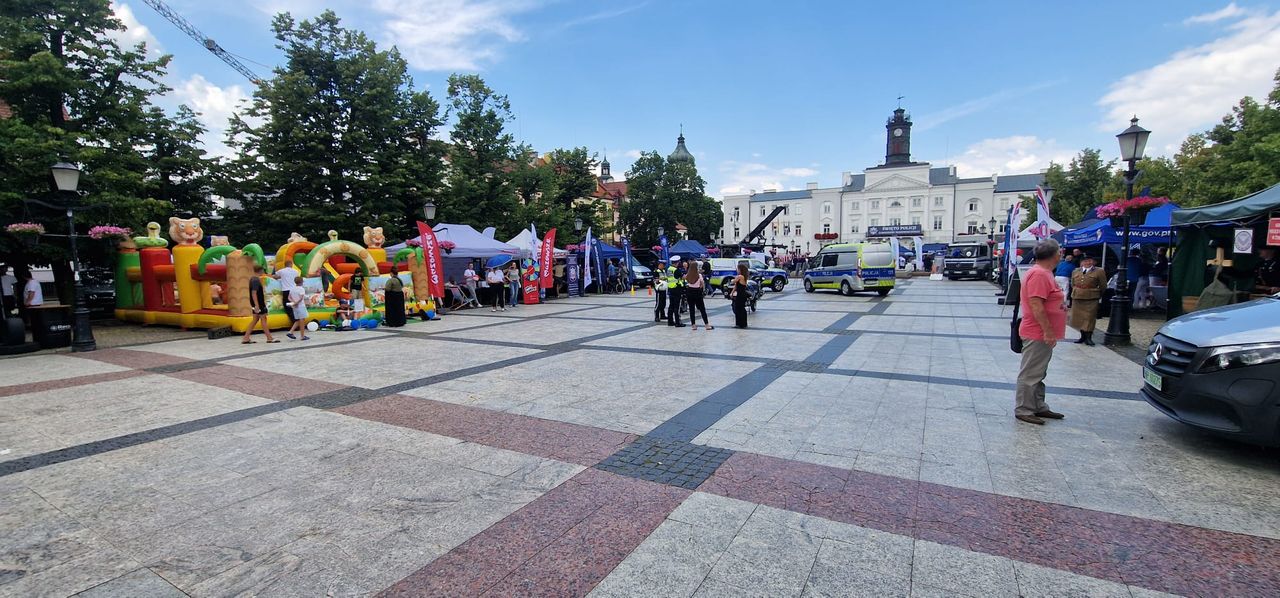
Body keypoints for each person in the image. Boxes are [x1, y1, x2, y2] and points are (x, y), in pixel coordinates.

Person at [1015, 240, 1067, 425]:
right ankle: (1025, 408)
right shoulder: (1039, 274)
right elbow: (1036, 304)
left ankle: (1037, 405)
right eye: (1059, 252)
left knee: (1038, 371)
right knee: (1031, 372)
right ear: (1055, 255)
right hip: (1036, 331)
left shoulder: (1044, 273)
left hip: (1040, 331)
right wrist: (1048, 331)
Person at [1069, 254, 1107, 346]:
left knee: (1089, 317)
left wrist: (1098, 294)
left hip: (1091, 297)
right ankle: (1082, 336)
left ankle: (1089, 337)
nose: (1087, 263)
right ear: (1081, 262)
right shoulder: (1076, 271)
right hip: (1077, 296)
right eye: (1085, 261)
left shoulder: (1099, 271)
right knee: (1079, 317)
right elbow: (1072, 283)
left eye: (1089, 260)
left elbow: (1103, 285)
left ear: (1093, 262)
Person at [242, 264, 278, 344]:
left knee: (255, 320)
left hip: (255, 303)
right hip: (259, 303)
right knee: (263, 319)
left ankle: (246, 337)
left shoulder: (252, 279)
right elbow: (254, 293)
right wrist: (257, 305)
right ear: (260, 270)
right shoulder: (256, 280)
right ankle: (269, 338)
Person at [685, 261, 713, 330]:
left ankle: (693, 325)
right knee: (702, 309)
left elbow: (686, 283)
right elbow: (702, 284)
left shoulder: (687, 275)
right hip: (697, 292)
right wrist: (702, 290)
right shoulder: (699, 275)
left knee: (691, 309)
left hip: (689, 292)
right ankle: (706, 325)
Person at [666, 257, 685, 327]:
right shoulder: (677, 270)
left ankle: (670, 321)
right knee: (677, 306)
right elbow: (683, 277)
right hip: (677, 289)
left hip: (671, 288)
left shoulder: (668, 269)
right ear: (677, 263)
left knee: (671, 306)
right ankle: (678, 322)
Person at [731, 262, 750, 329]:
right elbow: (736, 286)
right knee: (740, 308)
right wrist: (732, 293)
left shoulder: (740, 276)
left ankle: (740, 323)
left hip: (741, 295)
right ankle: (742, 323)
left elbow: (733, 281)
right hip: (741, 294)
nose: (737, 270)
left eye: (738, 269)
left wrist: (733, 279)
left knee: (739, 309)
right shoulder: (743, 276)